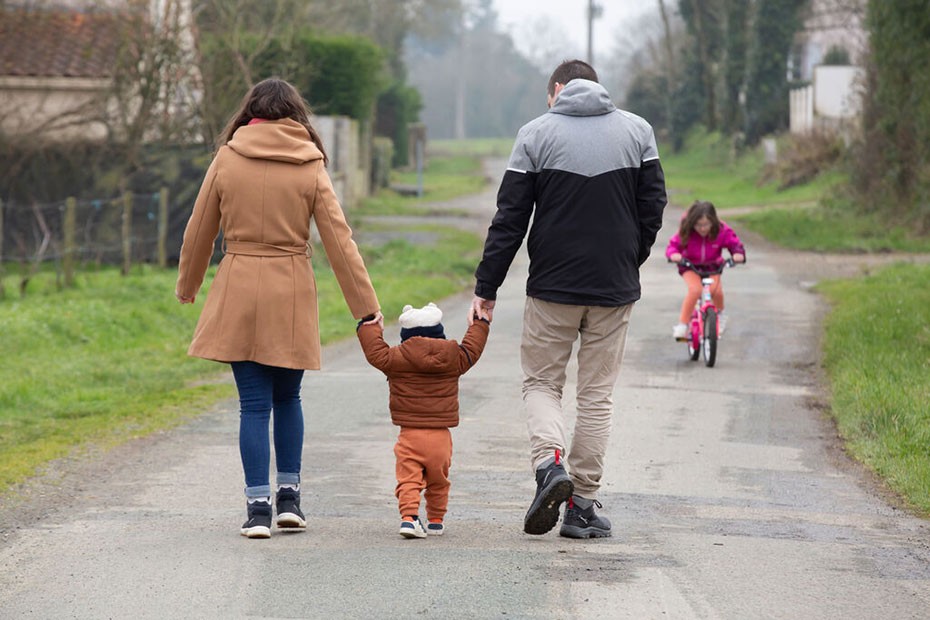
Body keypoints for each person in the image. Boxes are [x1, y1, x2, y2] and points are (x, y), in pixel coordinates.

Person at [175, 78, 382, 539]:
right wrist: (366, 308)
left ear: (249, 112)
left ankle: (257, 508)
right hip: (291, 290)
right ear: (294, 115)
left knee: (253, 405)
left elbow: (199, 229)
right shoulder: (311, 164)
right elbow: (339, 241)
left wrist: (188, 284)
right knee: (288, 397)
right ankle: (290, 498)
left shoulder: (227, 158)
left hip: (239, 285)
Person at [469, 60, 667, 539]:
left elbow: (510, 218)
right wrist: (629, 258)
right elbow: (653, 207)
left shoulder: (535, 134)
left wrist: (486, 287)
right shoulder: (638, 131)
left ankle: (549, 466)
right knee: (596, 396)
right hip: (613, 288)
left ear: (557, 89)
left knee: (541, 383)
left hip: (552, 286)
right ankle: (581, 506)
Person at [357, 303, 490, 538]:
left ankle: (409, 519)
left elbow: (374, 351)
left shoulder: (395, 358)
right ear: (440, 332)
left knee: (409, 480)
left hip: (409, 435)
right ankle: (436, 520)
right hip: (441, 437)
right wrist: (481, 322)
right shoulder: (454, 357)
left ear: (406, 336)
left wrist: (368, 323)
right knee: (439, 480)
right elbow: (473, 348)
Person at [665, 200, 746, 339]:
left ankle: (719, 317)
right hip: (690, 266)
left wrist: (737, 254)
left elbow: (735, 244)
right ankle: (683, 325)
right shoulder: (686, 231)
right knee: (695, 290)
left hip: (712, 267)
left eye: (706, 225)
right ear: (692, 223)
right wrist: (674, 254)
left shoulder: (721, 230)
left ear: (713, 222)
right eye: (698, 225)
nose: (702, 229)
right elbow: (673, 246)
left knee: (716, 291)